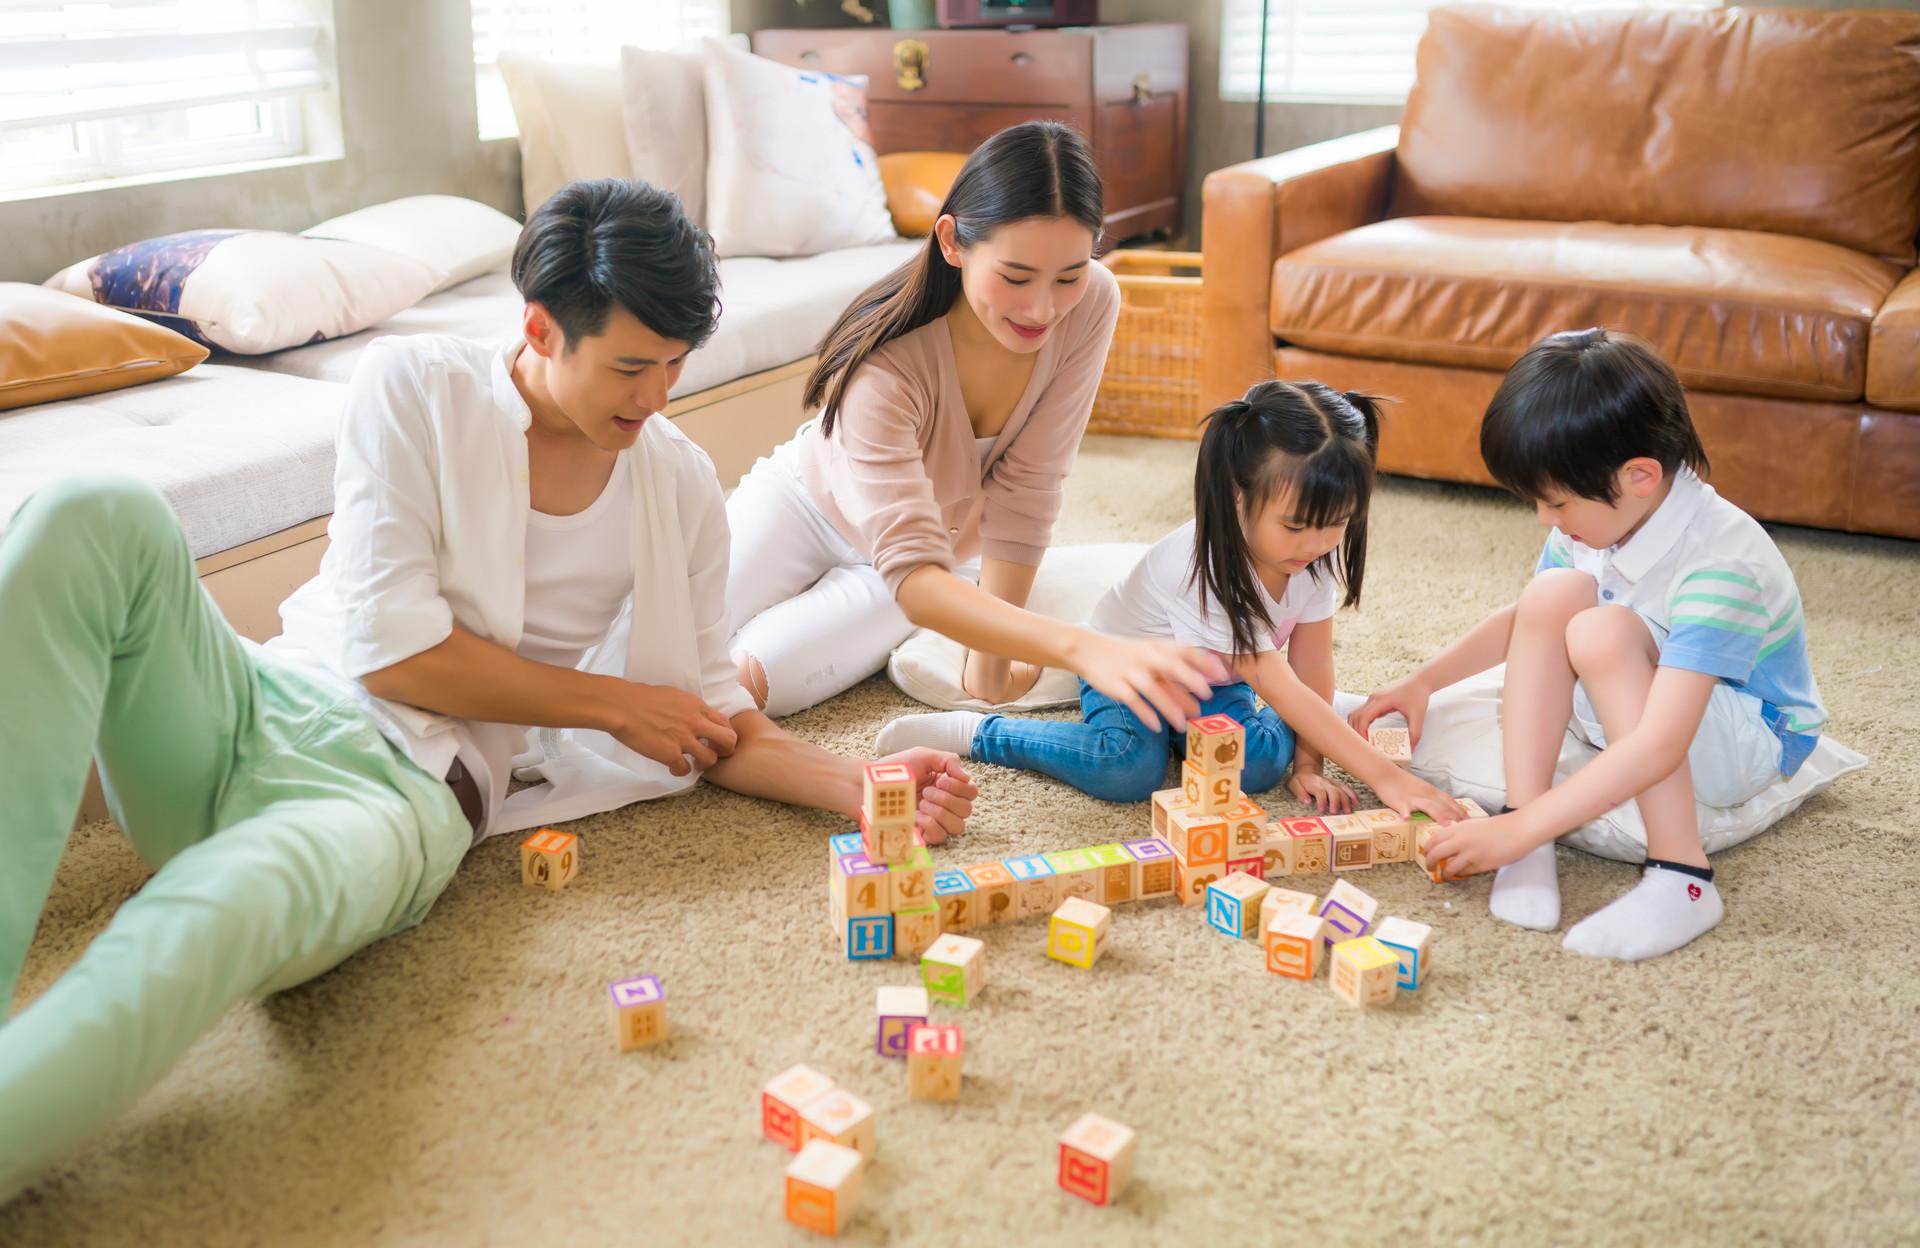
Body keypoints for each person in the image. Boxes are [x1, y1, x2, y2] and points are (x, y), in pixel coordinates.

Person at [0, 178, 972, 1200]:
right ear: (541, 327)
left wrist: (864, 784)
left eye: (677, 366)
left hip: (399, 792)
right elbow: (386, 652)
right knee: (92, 508)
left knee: (211, 911)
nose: (654, 398)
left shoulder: (674, 480)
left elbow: (709, 713)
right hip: (258, 701)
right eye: (631, 366)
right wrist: (608, 703)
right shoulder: (414, 384)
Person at [725, 120, 1225, 728]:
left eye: (1068, 274)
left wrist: (989, 667)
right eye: (1014, 277)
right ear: (953, 242)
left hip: (925, 564)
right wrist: (1084, 648)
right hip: (806, 506)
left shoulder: (1093, 301)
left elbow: (1031, 484)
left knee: (737, 689)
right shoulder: (886, 369)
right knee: (656, 646)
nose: (1042, 309)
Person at [1350, 328, 1826, 960]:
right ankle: (1532, 826)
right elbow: (1527, 618)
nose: (1547, 520)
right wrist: (1422, 682)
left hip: (1743, 737)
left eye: (1556, 503)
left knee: (1601, 632)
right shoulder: (1601, 522)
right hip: (1638, 691)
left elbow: (1660, 743)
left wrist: (1511, 833)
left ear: (1639, 476)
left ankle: (1682, 875)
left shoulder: (1722, 564)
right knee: (1555, 596)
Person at [878, 380, 1466, 826]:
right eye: (1294, 526)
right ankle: (980, 733)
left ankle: (1238, 740)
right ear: (1238, 496)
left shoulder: (1308, 563)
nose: (1314, 546)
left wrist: (1309, 766)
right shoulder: (1204, 563)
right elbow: (1277, 680)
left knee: (1261, 766)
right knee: (1128, 768)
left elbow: (1310, 671)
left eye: (1336, 524)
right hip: (1128, 670)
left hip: (1213, 678)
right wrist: (1385, 779)